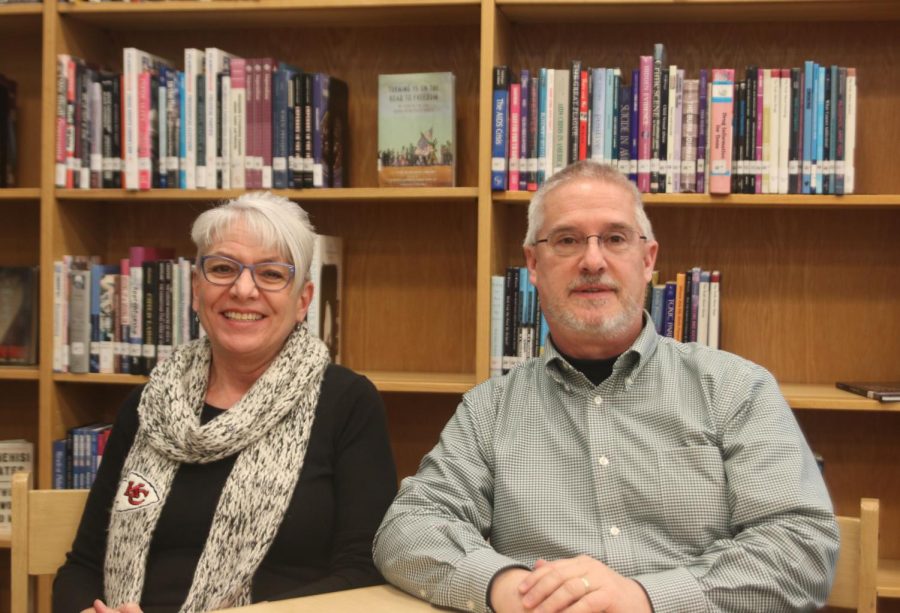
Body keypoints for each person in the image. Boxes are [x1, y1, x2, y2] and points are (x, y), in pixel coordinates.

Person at [373, 161, 839, 613]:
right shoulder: (488, 410)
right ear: (533, 264)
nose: (592, 261)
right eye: (567, 240)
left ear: (647, 258)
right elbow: (408, 529)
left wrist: (644, 599)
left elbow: (801, 550)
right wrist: (506, 587)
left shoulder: (736, 390)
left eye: (614, 238)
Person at [54, 192, 398, 613]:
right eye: (222, 269)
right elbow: (84, 565)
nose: (243, 289)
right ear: (197, 289)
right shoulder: (150, 403)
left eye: (271, 274)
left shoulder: (347, 403)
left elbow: (363, 571)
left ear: (303, 301)